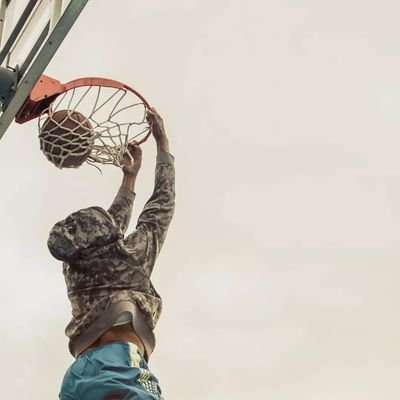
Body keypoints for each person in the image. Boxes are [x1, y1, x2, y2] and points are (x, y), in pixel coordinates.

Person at [48, 108, 175, 400]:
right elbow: (162, 203)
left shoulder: (73, 264)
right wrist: (162, 144)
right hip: (119, 363)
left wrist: (128, 181)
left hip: (79, 374)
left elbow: (107, 225)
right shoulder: (133, 256)